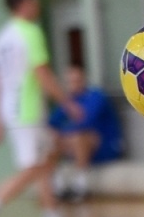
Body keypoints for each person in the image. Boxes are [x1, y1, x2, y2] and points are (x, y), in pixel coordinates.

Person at [0, 0, 80, 217]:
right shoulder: (30, 33)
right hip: (28, 111)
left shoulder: (0, 39)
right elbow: (42, 73)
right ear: (23, 2)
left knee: (48, 158)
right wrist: (67, 103)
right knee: (34, 168)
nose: (37, 3)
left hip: (13, 110)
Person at [49, 64, 124, 202]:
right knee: (53, 137)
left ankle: (82, 184)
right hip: (76, 146)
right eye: (70, 81)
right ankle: (58, 181)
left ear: (84, 79)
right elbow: (51, 123)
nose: (74, 84)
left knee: (78, 137)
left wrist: (65, 134)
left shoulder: (96, 96)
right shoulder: (69, 101)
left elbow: (86, 123)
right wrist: (58, 135)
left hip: (107, 146)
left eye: (77, 80)